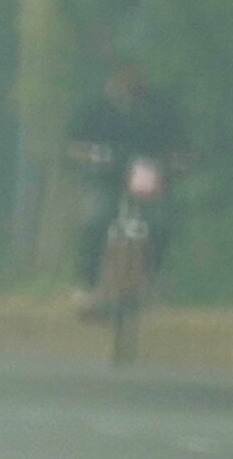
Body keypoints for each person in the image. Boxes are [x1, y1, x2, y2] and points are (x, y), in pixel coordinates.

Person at [70, 66, 187, 293]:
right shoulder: (94, 109)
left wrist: (176, 163)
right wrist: (90, 156)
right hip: (104, 179)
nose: (127, 86)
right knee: (96, 221)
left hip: (148, 177)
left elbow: (181, 146)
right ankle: (86, 282)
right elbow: (73, 144)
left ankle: (155, 275)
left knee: (161, 223)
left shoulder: (161, 110)